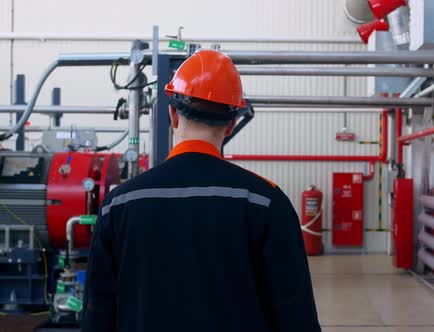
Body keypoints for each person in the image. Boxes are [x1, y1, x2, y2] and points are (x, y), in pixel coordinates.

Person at [81, 49, 321, 332]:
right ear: (231, 124)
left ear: (172, 114)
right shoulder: (266, 203)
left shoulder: (119, 204)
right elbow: (296, 317)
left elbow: (97, 315)